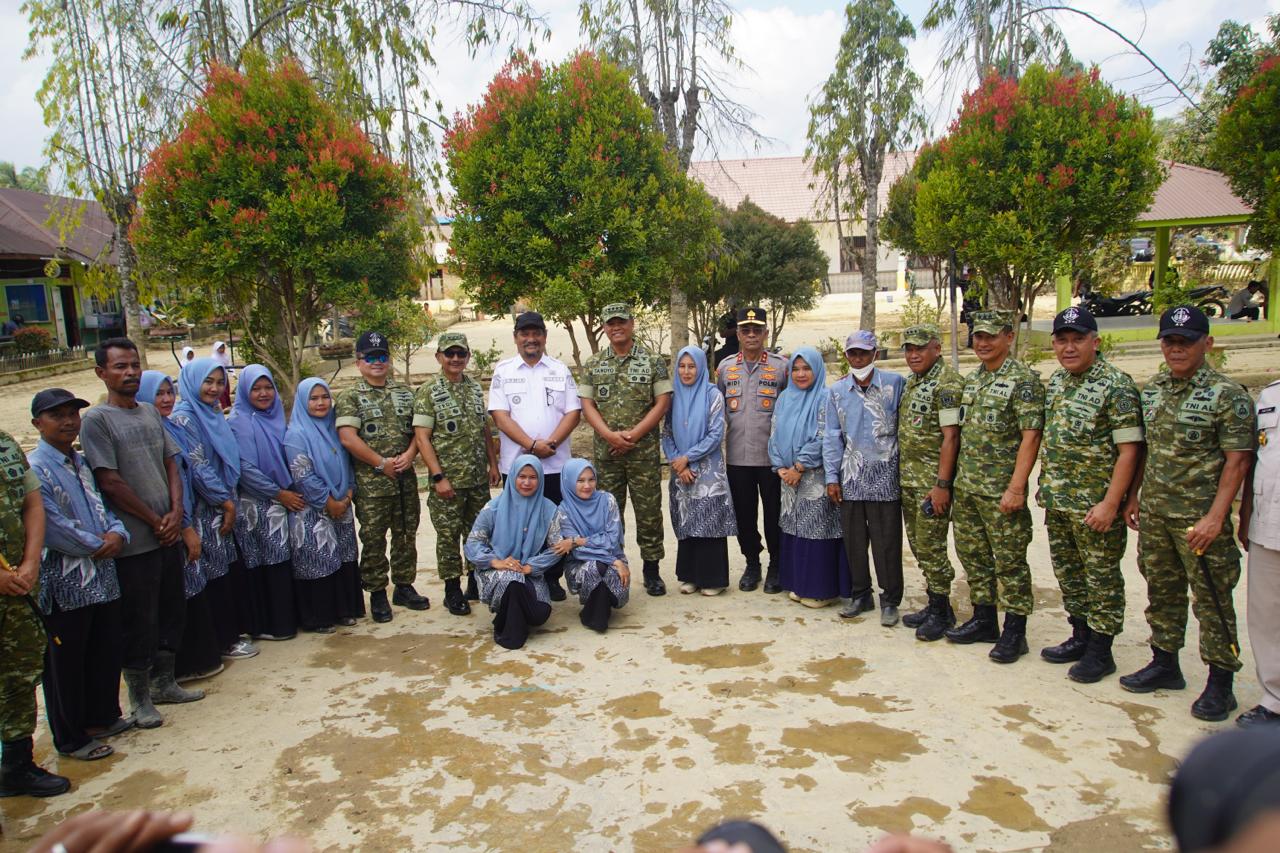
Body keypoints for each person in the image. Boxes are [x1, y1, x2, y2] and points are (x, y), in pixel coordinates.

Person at [1121, 305, 1255, 721]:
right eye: (1170, 341)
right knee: (1161, 591)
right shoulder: (1155, 388)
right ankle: (1165, 663)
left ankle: (1221, 682)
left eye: (1186, 342)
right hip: (1157, 514)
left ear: (1207, 344)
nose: (1176, 349)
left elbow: (1238, 463)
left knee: (1212, 601)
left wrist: (1218, 518)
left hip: (1200, 521)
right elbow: (1147, 449)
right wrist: (1134, 496)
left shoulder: (1228, 395)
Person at [80, 338, 192, 729]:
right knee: (138, 618)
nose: (129, 373)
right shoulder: (97, 421)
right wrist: (153, 518)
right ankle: (140, 697)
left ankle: (166, 682)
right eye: (119, 367)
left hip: (168, 531)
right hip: (135, 540)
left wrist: (176, 513)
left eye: (133, 365)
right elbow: (109, 482)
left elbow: (171, 464)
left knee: (171, 607)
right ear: (102, 373)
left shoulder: (148, 412)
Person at [1036, 307, 1144, 683]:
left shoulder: (1117, 385)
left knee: (1101, 578)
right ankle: (1080, 634)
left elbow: (1130, 451)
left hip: (1095, 506)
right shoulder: (1058, 382)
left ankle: (1101, 649)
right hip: (1059, 501)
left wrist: (1112, 503)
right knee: (1070, 574)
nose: (1069, 347)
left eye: (1077, 339)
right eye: (1062, 340)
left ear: (1095, 342)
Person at [28, 389, 132, 762]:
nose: (69, 421)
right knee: (66, 661)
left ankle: (101, 716)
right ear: (38, 423)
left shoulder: (80, 461)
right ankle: (71, 737)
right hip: (66, 580)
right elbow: (50, 524)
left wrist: (118, 533)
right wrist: (94, 544)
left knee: (102, 648)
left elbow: (104, 505)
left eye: (73, 414)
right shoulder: (36, 467)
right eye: (58, 415)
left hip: (101, 575)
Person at [945, 311, 1045, 663]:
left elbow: (1031, 437)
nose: (983, 343)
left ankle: (1015, 631)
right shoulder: (973, 381)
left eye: (990, 336)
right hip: (969, 487)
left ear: (1009, 337)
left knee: (1010, 562)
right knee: (974, 557)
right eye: (977, 337)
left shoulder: (1023, 381)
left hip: (1001, 491)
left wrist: (1017, 487)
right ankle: (984, 618)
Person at [578, 303, 672, 596]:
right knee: (607, 513)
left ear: (632, 324)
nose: (616, 327)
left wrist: (632, 435)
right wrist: (609, 436)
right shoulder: (593, 364)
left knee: (648, 513)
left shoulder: (653, 361)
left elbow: (663, 401)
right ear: (604, 327)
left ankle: (652, 570)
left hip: (642, 453)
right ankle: (611, 564)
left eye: (621, 321)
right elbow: (587, 405)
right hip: (608, 455)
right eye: (610, 323)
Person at [488, 311, 581, 600]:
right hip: (517, 468)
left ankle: (551, 578)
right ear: (516, 338)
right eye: (525, 333)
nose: (531, 339)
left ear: (544, 336)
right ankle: (520, 576)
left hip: (555, 465)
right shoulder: (504, 371)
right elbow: (500, 417)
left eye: (536, 333)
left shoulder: (559, 369)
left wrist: (549, 443)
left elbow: (573, 413)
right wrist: (531, 445)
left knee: (554, 524)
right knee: (519, 522)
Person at [336, 330, 426, 623]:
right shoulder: (350, 396)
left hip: (404, 479)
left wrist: (411, 455)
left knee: (405, 534)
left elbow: (419, 432)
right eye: (370, 357)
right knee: (374, 538)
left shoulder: (405, 393)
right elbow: (348, 438)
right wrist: (380, 463)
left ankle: (403, 585)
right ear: (359, 361)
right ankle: (376, 592)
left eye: (382, 356)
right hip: (372, 484)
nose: (377, 362)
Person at [172, 357, 257, 664]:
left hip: (222, 502)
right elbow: (197, 466)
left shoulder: (211, 413)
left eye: (220, 383)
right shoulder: (185, 418)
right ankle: (222, 640)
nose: (214, 388)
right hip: (205, 509)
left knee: (226, 571)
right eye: (208, 382)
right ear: (192, 382)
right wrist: (225, 500)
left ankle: (231, 635)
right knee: (213, 575)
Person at [137, 372, 220, 683]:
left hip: (186, 517)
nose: (166, 399)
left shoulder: (171, 426)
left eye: (169, 392)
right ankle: (174, 671)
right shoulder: (148, 433)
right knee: (177, 595)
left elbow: (188, 474)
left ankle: (194, 662)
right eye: (158, 394)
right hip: (169, 524)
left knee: (192, 588)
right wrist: (183, 523)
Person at [414, 331, 500, 617]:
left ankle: (475, 582)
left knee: (478, 533)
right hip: (447, 481)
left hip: (476, 480)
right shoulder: (428, 391)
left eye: (460, 354)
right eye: (449, 354)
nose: (454, 359)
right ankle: (452, 590)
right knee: (448, 536)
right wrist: (438, 478)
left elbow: (485, 429)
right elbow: (423, 438)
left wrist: (493, 464)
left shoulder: (474, 388)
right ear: (439, 357)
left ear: (467, 357)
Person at [824, 331, 907, 625]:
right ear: (846, 355)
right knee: (854, 541)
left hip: (885, 479)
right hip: (851, 478)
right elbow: (833, 437)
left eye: (863, 353)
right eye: (853, 353)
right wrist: (832, 477)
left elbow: (905, 430)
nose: (858, 358)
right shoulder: (836, 392)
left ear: (875, 353)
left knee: (887, 542)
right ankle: (861, 594)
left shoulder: (895, 385)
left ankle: (890, 599)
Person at [0, 421, 64, 796]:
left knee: (20, 675)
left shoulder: (6, 444)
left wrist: (30, 563)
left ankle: (16, 764)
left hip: (21, 584)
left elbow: (32, 503)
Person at [897, 324, 965, 641]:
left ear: (936, 348)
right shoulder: (913, 381)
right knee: (918, 545)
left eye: (920, 348)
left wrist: (942, 484)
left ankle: (942, 611)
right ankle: (934, 602)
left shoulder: (947, 383)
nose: (913, 354)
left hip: (930, 484)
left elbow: (951, 438)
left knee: (932, 546)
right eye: (909, 349)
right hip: (909, 480)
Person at [716, 306, 788, 593]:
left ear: (766, 333)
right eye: (745, 329)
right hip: (737, 457)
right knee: (744, 515)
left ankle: (776, 566)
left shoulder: (782, 367)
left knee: (774, 515)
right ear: (738, 333)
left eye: (757, 329)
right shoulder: (725, 368)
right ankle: (752, 563)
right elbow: (717, 409)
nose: (751, 334)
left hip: (771, 457)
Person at [768, 347, 845, 607]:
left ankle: (820, 590)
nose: (801, 374)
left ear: (817, 370)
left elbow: (824, 437)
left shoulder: (826, 397)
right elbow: (774, 434)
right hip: (787, 479)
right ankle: (798, 584)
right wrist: (780, 467)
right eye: (796, 369)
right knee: (794, 529)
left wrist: (799, 467)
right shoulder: (784, 398)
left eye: (807, 368)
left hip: (814, 477)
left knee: (816, 531)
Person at [285, 378, 364, 632]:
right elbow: (303, 475)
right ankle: (319, 617)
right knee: (318, 559)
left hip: (343, 501)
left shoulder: (335, 428)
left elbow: (349, 463)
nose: (320, 403)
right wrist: (328, 502)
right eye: (314, 398)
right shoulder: (296, 435)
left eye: (324, 397)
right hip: (313, 508)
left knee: (344, 556)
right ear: (302, 401)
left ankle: (345, 610)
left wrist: (348, 493)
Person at [228, 365, 299, 641]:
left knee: (282, 561)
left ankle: (286, 621)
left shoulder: (276, 416)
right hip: (255, 504)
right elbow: (244, 468)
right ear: (245, 391)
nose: (263, 393)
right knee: (263, 564)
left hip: (282, 501)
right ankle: (267, 624)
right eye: (256, 389)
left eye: (267, 387)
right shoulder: (238, 421)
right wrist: (278, 493)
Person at [464, 455, 560, 649]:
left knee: (540, 614)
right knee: (512, 583)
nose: (526, 482)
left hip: (530, 573)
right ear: (513, 477)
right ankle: (510, 635)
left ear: (540, 479)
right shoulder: (493, 508)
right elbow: (473, 543)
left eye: (533, 477)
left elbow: (556, 548)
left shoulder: (549, 509)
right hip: (496, 571)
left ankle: (509, 616)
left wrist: (531, 566)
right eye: (521, 476)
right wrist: (495, 562)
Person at [662, 346, 736, 595]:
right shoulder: (673, 398)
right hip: (680, 472)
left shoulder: (712, 395)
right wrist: (676, 461)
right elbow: (667, 434)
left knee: (709, 521)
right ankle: (691, 576)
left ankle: (713, 579)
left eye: (691, 366)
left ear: (701, 367)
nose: (686, 371)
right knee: (687, 521)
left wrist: (687, 458)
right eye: (682, 366)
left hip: (707, 471)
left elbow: (716, 434)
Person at [1239, 376, 1280, 726]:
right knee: (1266, 615)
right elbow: (1256, 460)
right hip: (1269, 523)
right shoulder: (1270, 395)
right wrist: (1246, 511)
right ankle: (1274, 699)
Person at [551, 458, 630, 632]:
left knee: (607, 578)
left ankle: (595, 611)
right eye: (580, 481)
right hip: (581, 567)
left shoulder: (607, 500)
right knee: (595, 567)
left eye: (591, 479)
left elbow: (612, 539)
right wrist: (614, 561)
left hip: (613, 559)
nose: (587, 486)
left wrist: (579, 541)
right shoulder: (563, 510)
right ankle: (597, 616)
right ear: (569, 481)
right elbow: (578, 554)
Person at [210, 341, 234, 410]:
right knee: (221, 390)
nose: (222, 349)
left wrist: (232, 373)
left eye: (223, 348)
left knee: (227, 390)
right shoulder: (214, 357)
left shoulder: (225, 356)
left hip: (225, 374)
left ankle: (228, 404)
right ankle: (223, 406)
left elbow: (228, 365)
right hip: (218, 376)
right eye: (220, 348)